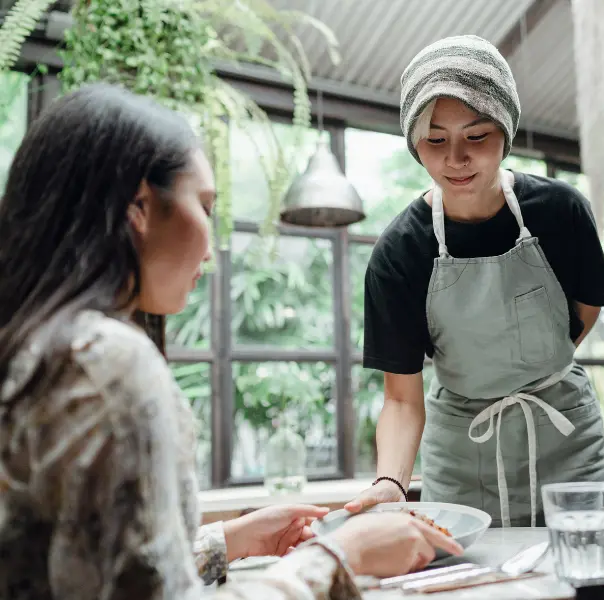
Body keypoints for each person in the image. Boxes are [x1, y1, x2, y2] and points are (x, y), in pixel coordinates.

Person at [0, 83, 461, 600]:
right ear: (139, 208)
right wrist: (337, 556)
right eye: (203, 204)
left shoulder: (34, 350)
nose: (213, 242)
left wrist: (228, 540)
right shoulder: (106, 364)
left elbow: (89, 569)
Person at [345, 35, 604, 528]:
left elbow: (584, 313)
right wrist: (390, 483)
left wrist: (531, 368)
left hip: (566, 439)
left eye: (476, 136)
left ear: (506, 131)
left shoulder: (561, 213)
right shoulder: (399, 253)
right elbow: (402, 399)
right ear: (414, 143)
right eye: (435, 140)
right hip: (462, 452)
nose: (456, 158)